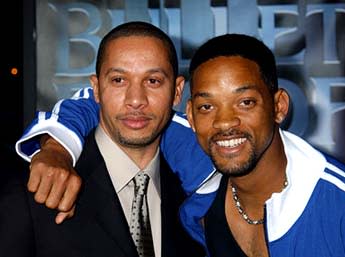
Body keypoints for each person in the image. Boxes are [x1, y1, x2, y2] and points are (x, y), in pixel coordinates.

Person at [14, 33, 345, 256]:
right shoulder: (191, 148)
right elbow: (97, 101)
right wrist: (57, 148)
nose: (225, 122)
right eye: (208, 106)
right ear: (191, 112)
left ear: (279, 106)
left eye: (246, 102)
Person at [1, 21, 205, 257]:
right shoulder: (35, 185)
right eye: (119, 80)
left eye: (153, 81)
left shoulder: (197, 191)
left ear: (177, 91)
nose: (136, 99)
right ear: (96, 89)